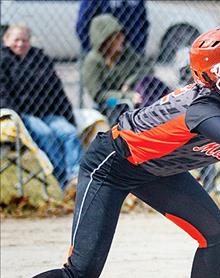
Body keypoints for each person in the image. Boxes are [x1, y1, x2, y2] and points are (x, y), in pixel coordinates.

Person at [0, 27, 220, 278]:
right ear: (208, 74)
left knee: (216, 237)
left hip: (155, 171)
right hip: (111, 165)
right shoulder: (202, 110)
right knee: (80, 275)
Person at [0, 24, 83, 191]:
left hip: (47, 112)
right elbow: (3, 93)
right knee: (46, 134)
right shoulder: (3, 60)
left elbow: (56, 89)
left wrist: (68, 117)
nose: (20, 44)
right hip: (22, 115)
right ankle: (64, 181)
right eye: (16, 40)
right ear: (6, 40)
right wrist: (17, 116)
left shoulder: (40, 59)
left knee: (69, 133)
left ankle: (76, 178)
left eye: (24, 40)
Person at [82, 14, 170, 122]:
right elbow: (98, 95)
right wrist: (126, 96)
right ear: (106, 41)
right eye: (117, 37)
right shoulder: (92, 61)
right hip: (109, 103)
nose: (122, 39)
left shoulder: (125, 52)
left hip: (134, 99)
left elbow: (147, 68)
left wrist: (129, 82)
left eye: (121, 35)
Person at [76, 0, 149, 54]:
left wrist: (139, 46)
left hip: (133, 53)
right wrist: (96, 51)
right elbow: (83, 25)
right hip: (105, 55)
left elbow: (143, 21)